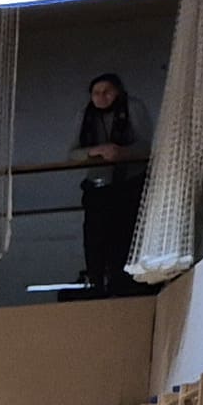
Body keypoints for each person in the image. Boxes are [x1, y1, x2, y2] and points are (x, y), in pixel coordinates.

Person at [78, 73, 146, 298]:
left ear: (118, 92)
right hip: (97, 188)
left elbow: (147, 146)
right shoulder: (85, 115)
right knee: (95, 238)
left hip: (129, 185)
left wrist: (123, 153)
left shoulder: (132, 108)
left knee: (125, 235)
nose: (101, 97)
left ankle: (123, 282)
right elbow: (71, 153)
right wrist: (94, 151)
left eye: (107, 92)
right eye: (96, 93)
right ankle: (96, 284)